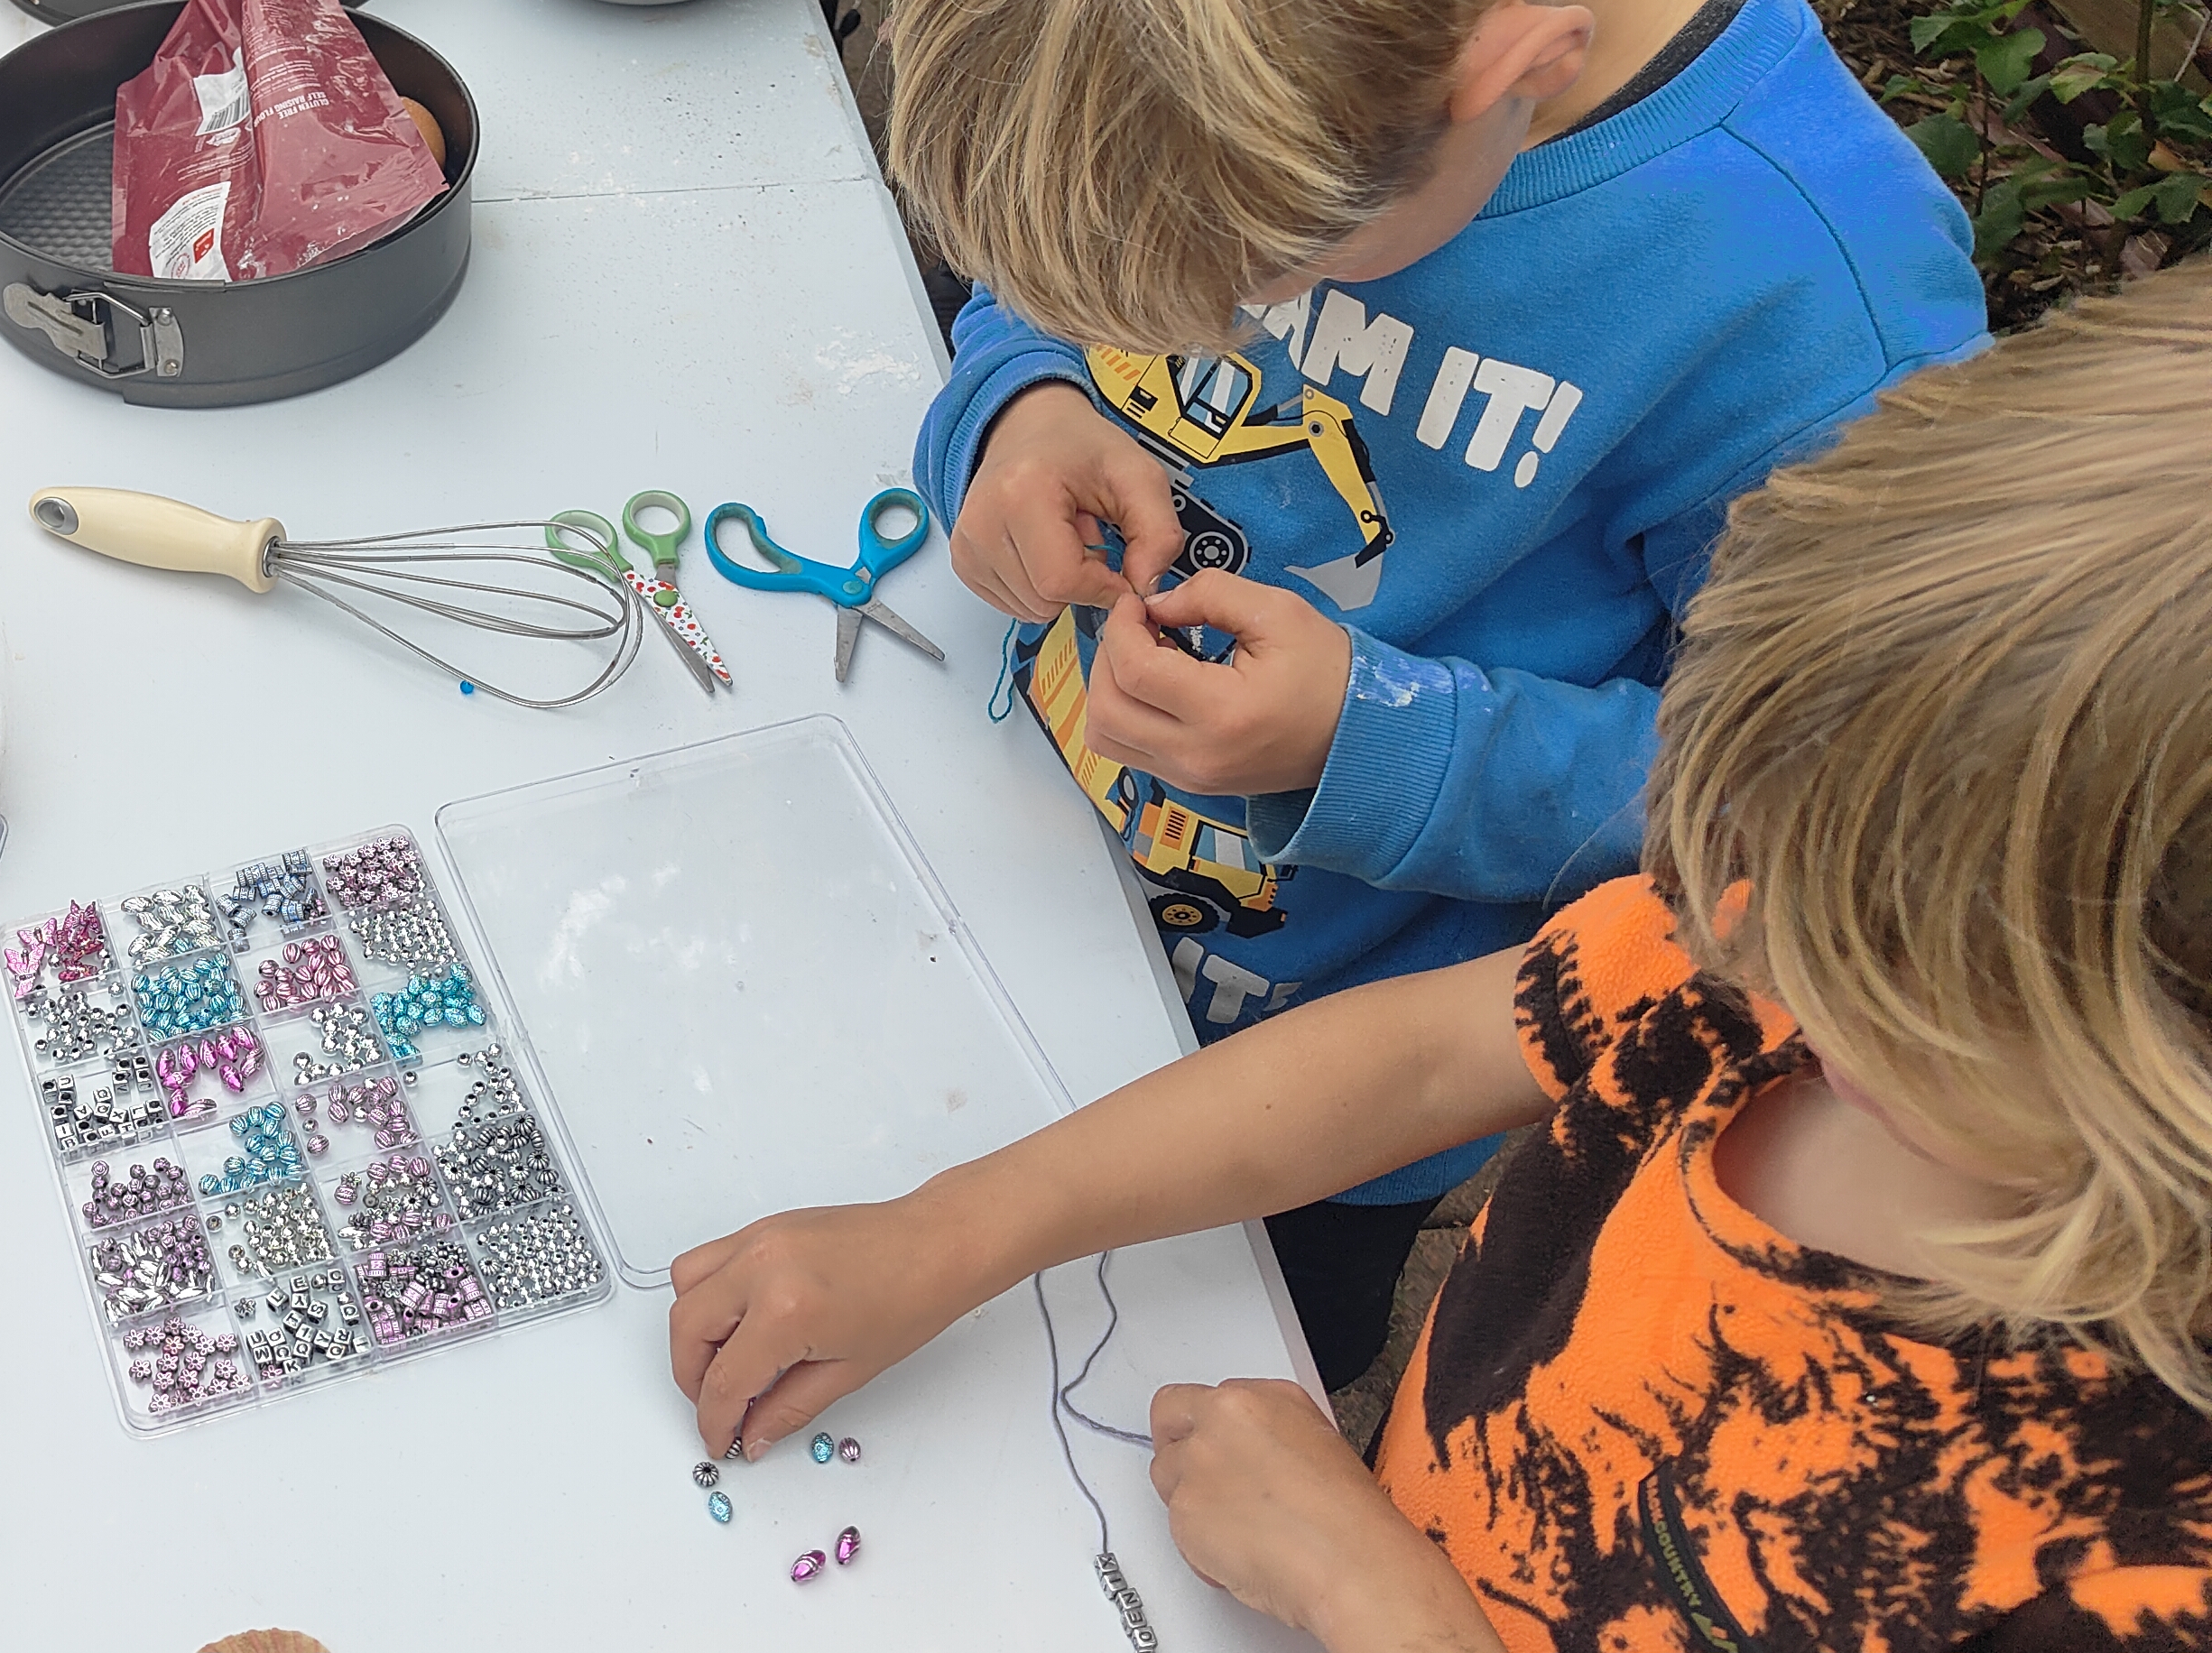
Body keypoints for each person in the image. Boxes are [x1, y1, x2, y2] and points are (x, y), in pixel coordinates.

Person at [670, 267, 2212, 1650]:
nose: (1748, 943)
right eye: (1772, 865)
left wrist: (1379, 1602)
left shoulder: (2140, 1558)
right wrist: (961, 1229)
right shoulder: (1766, 953)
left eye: (1889, 973)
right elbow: (1414, 1060)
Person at [888, 0, 1986, 1384]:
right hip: (1003, 873)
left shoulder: (1816, 308)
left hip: (1320, 1087)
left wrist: (1374, 743)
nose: (1192, 335)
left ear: (1515, 61)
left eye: (1254, 276)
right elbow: (1072, 258)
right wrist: (1023, 403)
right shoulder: (1228, 105)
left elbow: (1808, 821)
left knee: (1180, 1366)